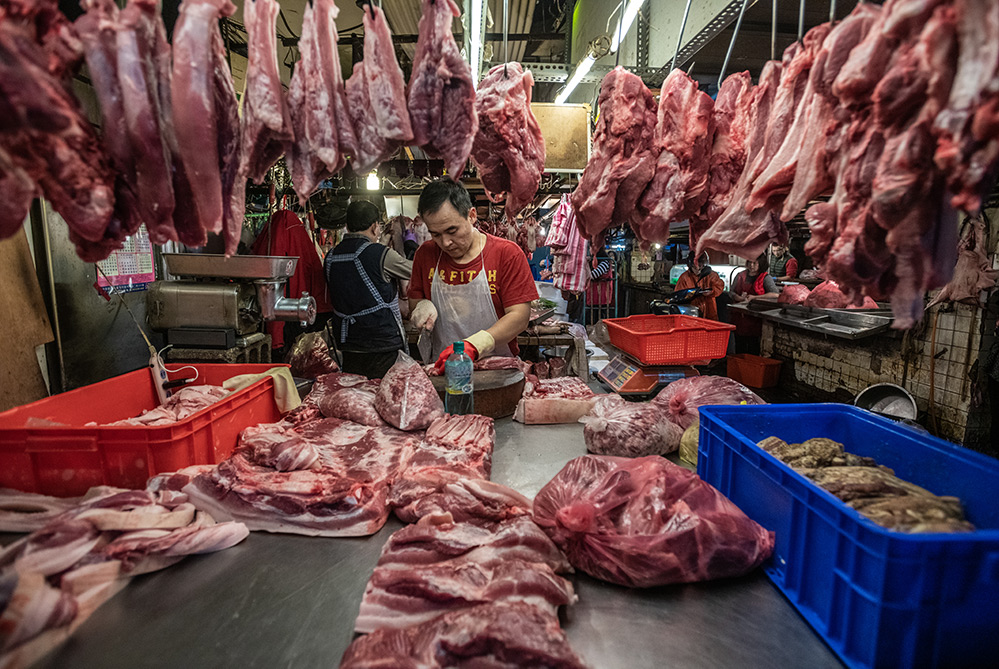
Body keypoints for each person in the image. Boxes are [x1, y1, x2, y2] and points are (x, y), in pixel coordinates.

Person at [408, 180, 539, 372]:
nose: (446, 242)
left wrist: (476, 345)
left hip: (497, 368)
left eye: (452, 231)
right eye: (435, 234)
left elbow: (519, 316)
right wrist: (422, 306)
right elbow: (415, 302)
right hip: (443, 368)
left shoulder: (506, 253)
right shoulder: (425, 254)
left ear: (471, 216)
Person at [324, 200, 413, 379]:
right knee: (385, 396)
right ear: (374, 227)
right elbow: (417, 270)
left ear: (347, 226)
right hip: (381, 344)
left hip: (348, 344)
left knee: (356, 396)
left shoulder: (331, 257)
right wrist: (410, 243)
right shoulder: (380, 254)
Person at [674, 251, 725, 320]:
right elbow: (678, 296)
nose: (697, 269)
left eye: (700, 266)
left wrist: (711, 292)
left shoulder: (712, 275)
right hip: (691, 314)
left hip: (710, 313)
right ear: (690, 265)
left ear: (704, 265)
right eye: (694, 267)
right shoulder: (684, 277)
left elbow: (719, 286)